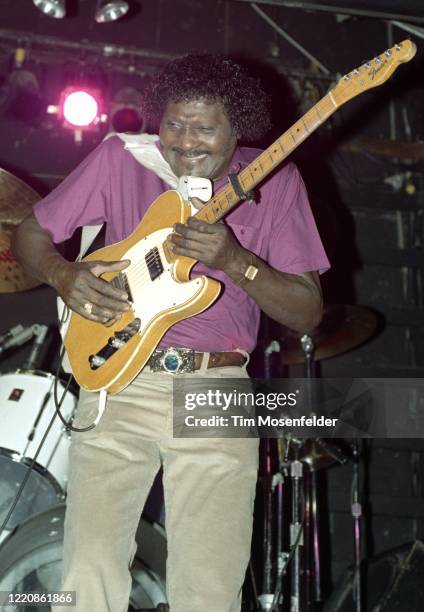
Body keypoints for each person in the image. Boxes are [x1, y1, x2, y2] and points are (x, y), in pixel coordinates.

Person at [12, 53, 329, 612]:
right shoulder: (121, 158)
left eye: (205, 129)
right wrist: (65, 276)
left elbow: (307, 312)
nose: (185, 143)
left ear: (238, 129)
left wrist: (238, 262)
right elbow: (29, 235)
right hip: (117, 381)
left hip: (217, 385)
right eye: (174, 125)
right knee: (86, 572)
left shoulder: (277, 180)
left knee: (208, 589)